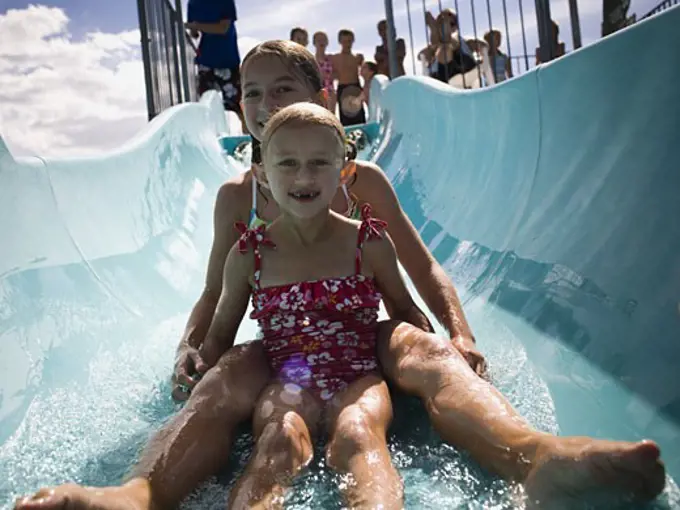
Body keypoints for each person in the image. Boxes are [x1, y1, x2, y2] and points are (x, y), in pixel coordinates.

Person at [13, 40, 667, 510]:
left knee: (425, 349)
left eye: (283, 91)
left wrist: (456, 335)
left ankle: (536, 457)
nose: (265, 104)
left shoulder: (363, 186)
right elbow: (215, 296)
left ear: (321, 101)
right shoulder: (236, 201)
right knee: (224, 378)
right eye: (252, 93)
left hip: (361, 340)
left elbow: (421, 273)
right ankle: (143, 492)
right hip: (281, 353)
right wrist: (191, 351)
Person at [203, 102, 404, 508]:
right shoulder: (250, 254)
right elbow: (220, 332)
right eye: (288, 164)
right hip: (288, 381)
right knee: (278, 438)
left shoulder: (369, 242)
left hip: (360, 377)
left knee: (359, 432)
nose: (304, 176)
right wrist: (202, 378)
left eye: (319, 163)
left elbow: (406, 312)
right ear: (262, 174)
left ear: (345, 171)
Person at [185, 0, 244, 130]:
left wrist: (196, 25)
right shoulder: (192, 4)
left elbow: (223, 28)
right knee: (206, 107)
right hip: (205, 61)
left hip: (228, 60)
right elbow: (194, 34)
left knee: (238, 107)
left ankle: (253, 143)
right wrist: (193, 29)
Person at [421, 8, 477, 85]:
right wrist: (435, 47)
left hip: (464, 71)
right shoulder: (432, 49)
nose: (446, 26)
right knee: (444, 50)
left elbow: (484, 45)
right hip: (441, 79)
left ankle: (445, 39)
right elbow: (420, 56)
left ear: (456, 27)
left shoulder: (466, 41)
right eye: (441, 24)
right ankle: (445, 40)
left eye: (451, 24)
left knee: (450, 46)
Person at [332, 29, 365, 126]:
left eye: (349, 41)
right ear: (340, 42)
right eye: (344, 41)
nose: (347, 44)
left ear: (353, 40)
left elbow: (365, 72)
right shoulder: (335, 58)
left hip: (355, 87)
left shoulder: (357, 58)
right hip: (343, 87)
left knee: (359, 117)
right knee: (346, 119)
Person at [312, 31, 337, 114]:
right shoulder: (311, 60)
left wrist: (331, 76)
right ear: (314, 43)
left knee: (331, 116)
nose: (321, 42)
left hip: (330, 92)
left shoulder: (331, 59)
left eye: (323, 40)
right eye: (318, 40)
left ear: (327, 43)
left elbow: (337, 74)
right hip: (317, 94)